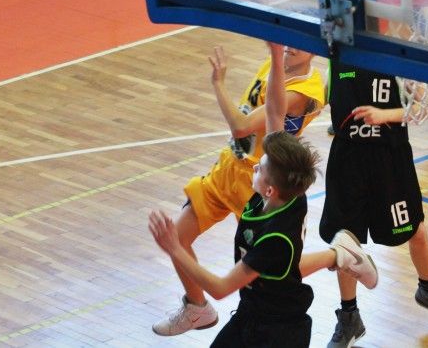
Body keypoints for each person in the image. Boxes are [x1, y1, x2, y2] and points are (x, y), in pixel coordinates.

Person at [149, 43, 378, 347]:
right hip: (249, 315)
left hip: (279, 330)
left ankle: (338, 255)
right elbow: (274, 112)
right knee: (275, 266)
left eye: (260, 167)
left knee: (274, 266)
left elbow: (221, 288)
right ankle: (338, 254)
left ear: (268, 187)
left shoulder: (273, 233)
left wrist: (172, 249)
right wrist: (275, 54)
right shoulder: (276, 192)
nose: (257, 164)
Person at [320, 55, 428, 348]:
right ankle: (349, 316)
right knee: (345, 242)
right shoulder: (337, 59)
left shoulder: (394, 59)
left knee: (415, 230)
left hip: (390, 157)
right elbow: (318, 100)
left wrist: (385, 115)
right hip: (348, 160)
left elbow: (424, 109)